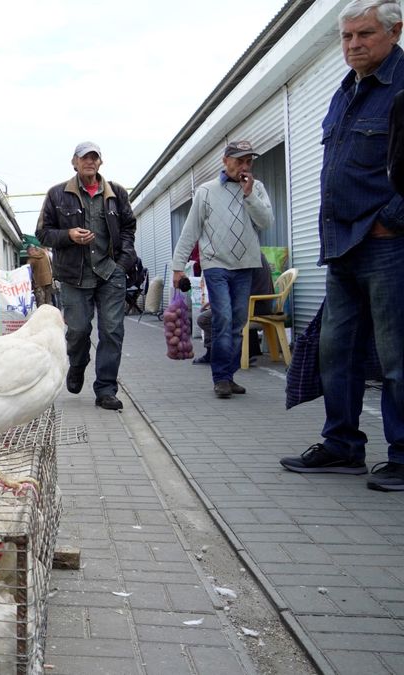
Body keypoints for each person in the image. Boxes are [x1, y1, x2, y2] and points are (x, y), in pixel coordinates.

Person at [280, 0, 404, 490]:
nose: (353, 45)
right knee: (338, 352)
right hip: (341, 246)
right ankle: (342, 446)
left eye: (365, 34)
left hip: (386, 244)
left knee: (397, 358)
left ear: (395, 32)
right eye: (347, 37)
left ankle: (402, 455)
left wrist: (391, 222)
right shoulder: (345, 90)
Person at [37, 141, 137, 411]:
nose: (89, 162)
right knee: (79, 331)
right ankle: (78, 365)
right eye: (84, 158)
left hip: (110, 274)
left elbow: (129, 228)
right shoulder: (58, 194)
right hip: (73, 277)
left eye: (94, 158)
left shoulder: (116, 193)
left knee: (113, 331)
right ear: (74, 162)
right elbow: (43, 234)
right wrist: (68, 235)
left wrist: (123, 264)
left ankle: (106, 389)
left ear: (100, 163)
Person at [171, 140, 273, 398]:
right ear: (225, 161)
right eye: (239, 160)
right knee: (223, 318)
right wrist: (177, 267)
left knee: (238, 323)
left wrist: (249, 195)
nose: (244, 166)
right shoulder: (206, 191)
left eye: (249, 161)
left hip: (246, 265)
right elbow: (190, 230)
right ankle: (220, 378)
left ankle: (229, 375)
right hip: (216, 264)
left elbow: (266, 222)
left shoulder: (256, 188)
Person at [193, 253, 273, 365]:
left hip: (254, 305)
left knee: (204, 319)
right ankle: (214, 352)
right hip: (255, 303)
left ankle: (234, 353)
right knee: (212, 311)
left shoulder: (245, 257)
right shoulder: (252, 254)